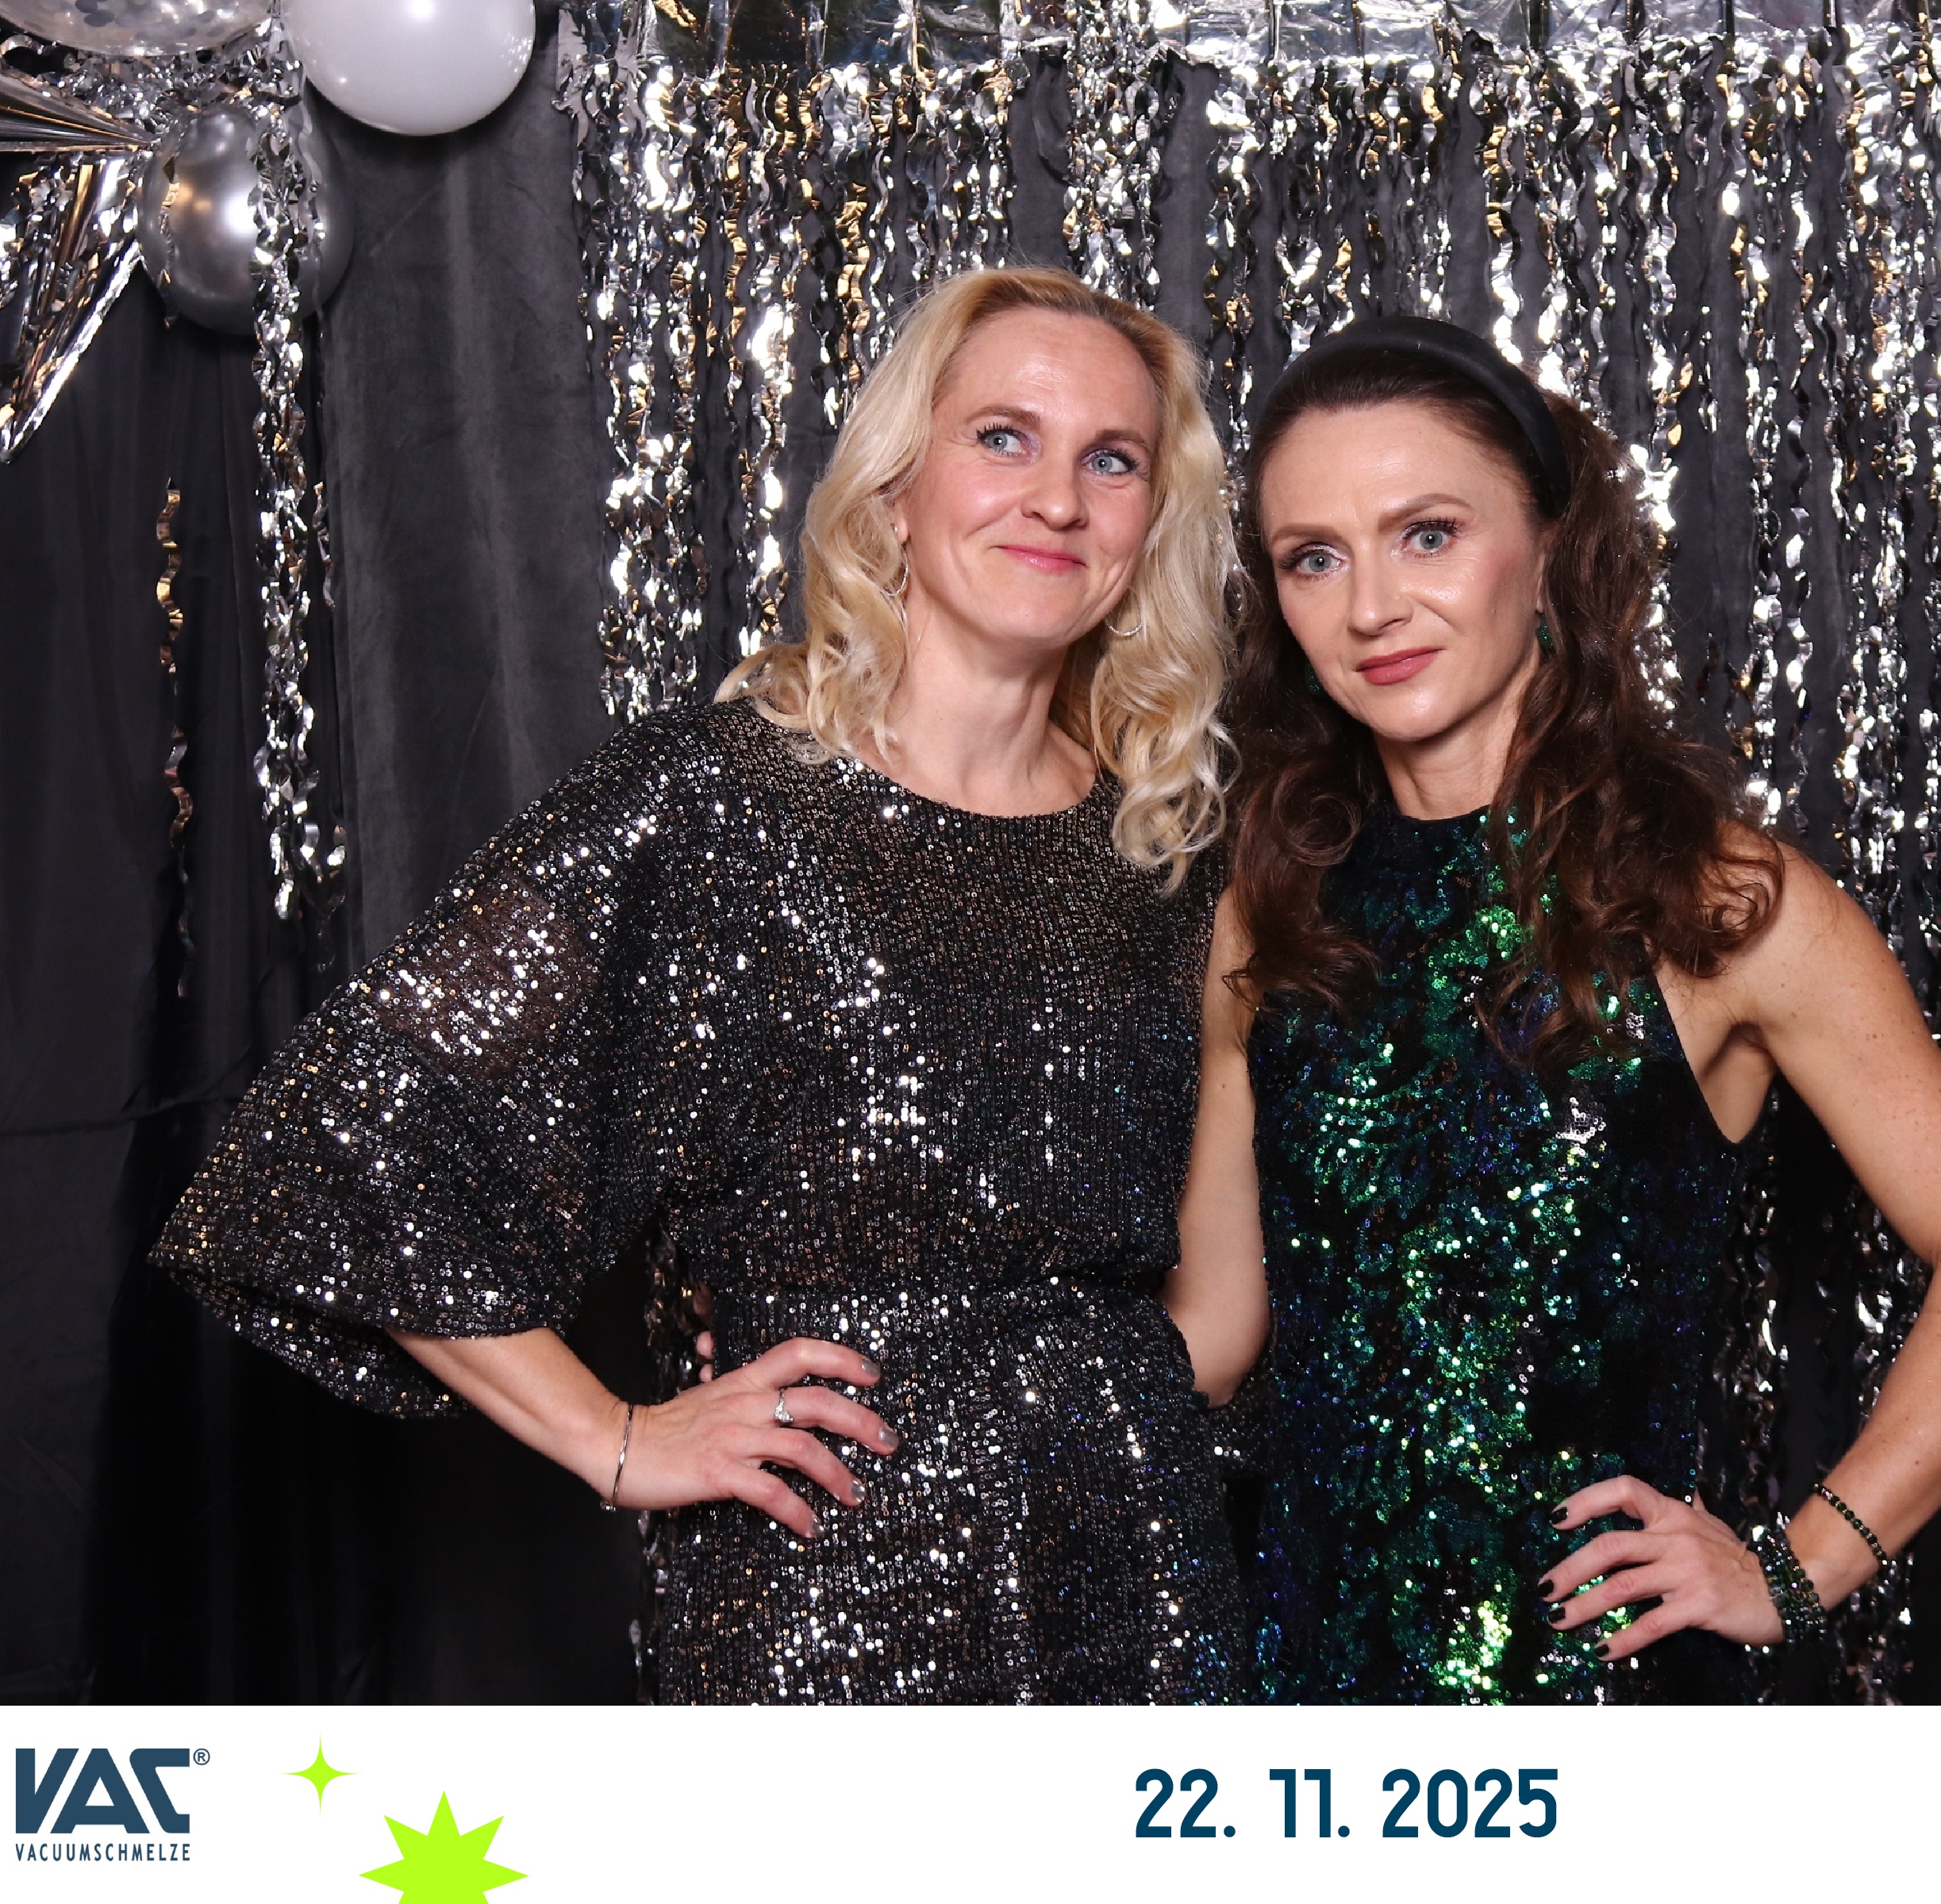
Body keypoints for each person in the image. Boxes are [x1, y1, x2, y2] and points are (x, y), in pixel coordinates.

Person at [158, 267, 1245, 1703]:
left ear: (1150, 524)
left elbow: (1218, 1304)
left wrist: (1072, 1428)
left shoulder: (1171, 858)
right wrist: (618, 1438)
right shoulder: (715, 804)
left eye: (1111, 461)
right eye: (1003, 438)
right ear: (895, 488)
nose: (1057, 499)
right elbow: (345, 1146)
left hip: (1138, 1584)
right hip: (821, 1592)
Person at [1162, 317, 1941, 1703]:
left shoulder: (1715, 899)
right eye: (1314, 558)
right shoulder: (1273, 906)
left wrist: (1797, 1567)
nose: (1371, 608)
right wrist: (952, 1389)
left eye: (1427, 535)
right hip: (1307, 1684)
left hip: (1602, 1694)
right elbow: (1218, 1331)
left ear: (1547, 548)